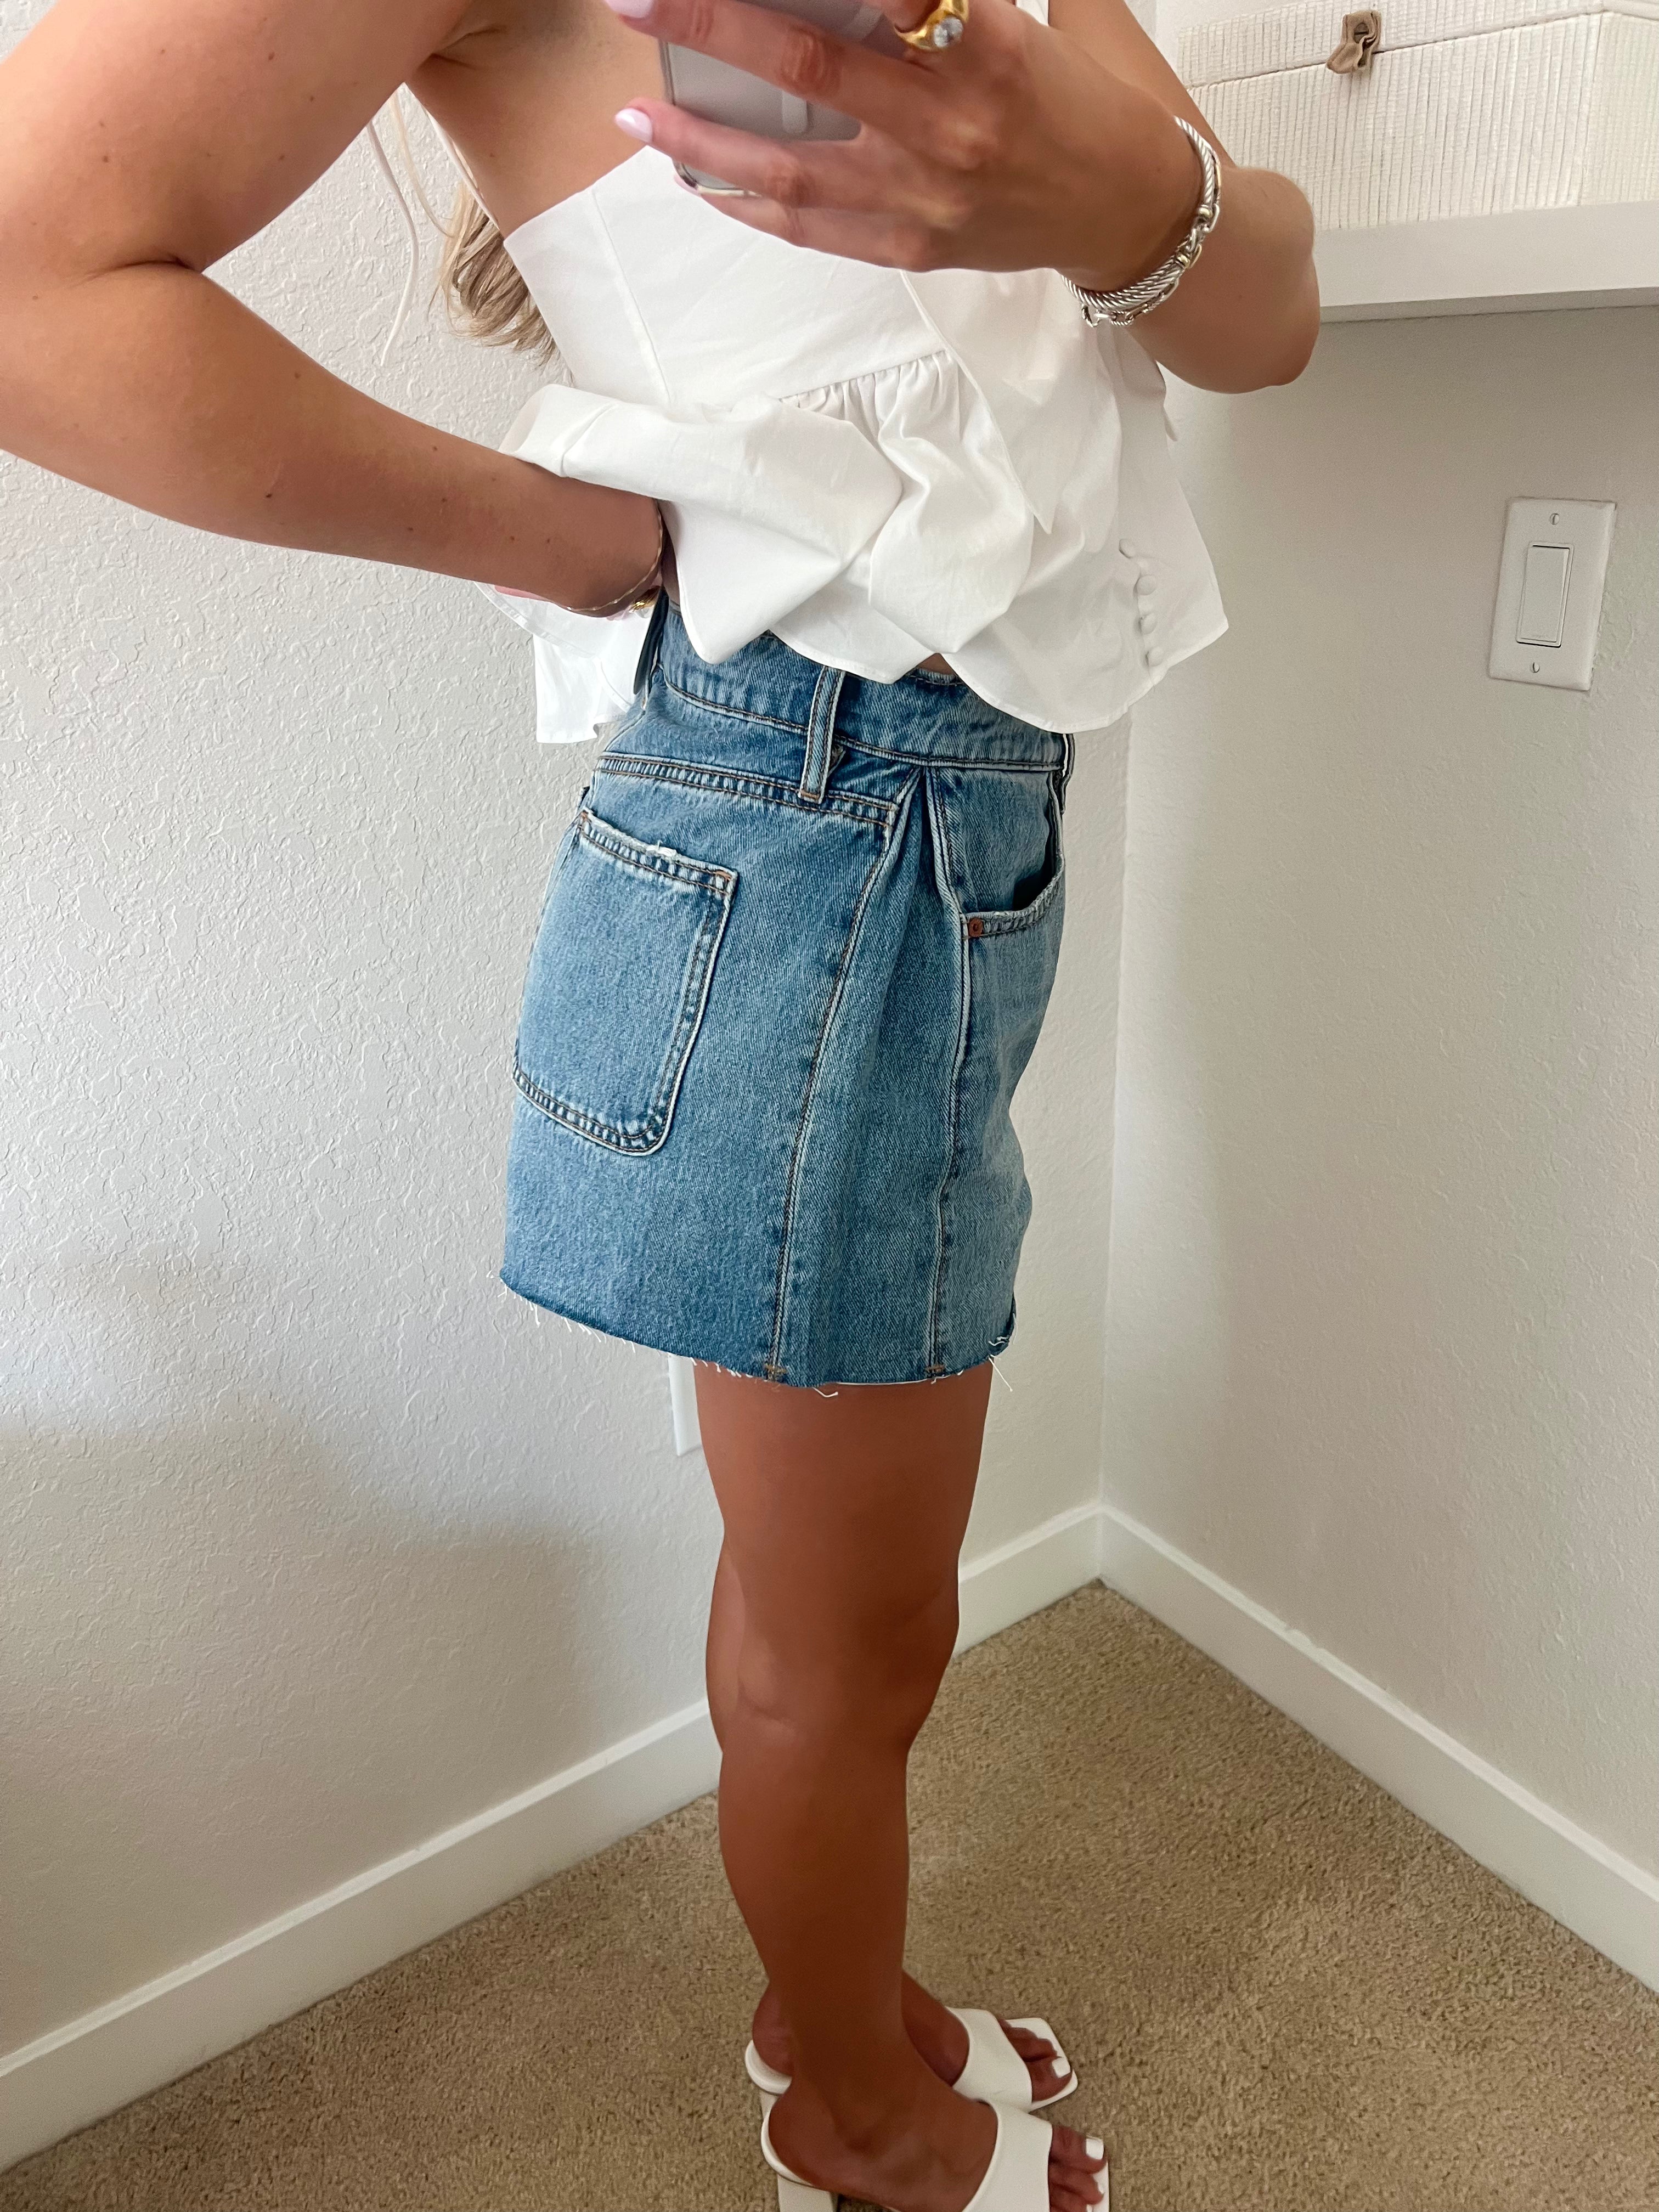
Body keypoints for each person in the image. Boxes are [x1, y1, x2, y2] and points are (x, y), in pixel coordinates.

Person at [0, 0, 1316, 2197]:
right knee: (849, 1636)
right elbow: (28, 272)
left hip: (926, 822)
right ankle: (859, 2122)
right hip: (820, 823)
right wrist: (562, 533)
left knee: (843, 1612)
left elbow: (1264, 320)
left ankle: (829, 2012)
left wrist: (1115, 195)